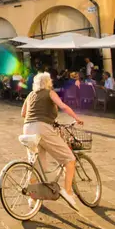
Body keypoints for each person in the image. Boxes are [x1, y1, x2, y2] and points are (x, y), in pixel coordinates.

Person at [20, 73, 84, 211]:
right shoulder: (50, 93)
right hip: (42, 128)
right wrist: (76, 118)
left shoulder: (31, 94)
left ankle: (32, 198)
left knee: (37, 165)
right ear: (48, 82)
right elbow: (63, 106)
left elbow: (23, 113)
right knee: (69, 159)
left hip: (27, 128)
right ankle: (67, 191)